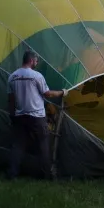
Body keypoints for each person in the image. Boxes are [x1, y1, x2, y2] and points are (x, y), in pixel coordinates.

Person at [5, 50, 63, 180]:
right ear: (31, 61)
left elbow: (11, 99)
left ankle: (11, 174)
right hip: (37, 117)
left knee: (18, 146)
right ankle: (47, 175)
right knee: (43, 145)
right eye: (36, 61)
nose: (37, 63)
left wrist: (12, 116)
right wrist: (62, 93)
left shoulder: (12, 76)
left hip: (20, 116)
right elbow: (47, 94)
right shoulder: (37, 76)